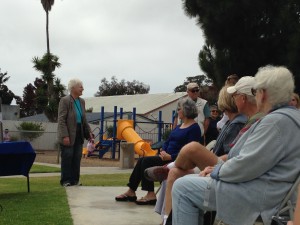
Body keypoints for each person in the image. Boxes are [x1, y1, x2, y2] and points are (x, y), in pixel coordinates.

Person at [171, 65, 300, 225]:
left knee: (183, 187)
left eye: (256, 92)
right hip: (274, 192)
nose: (255, 96)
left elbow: (246, 166)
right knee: (189, 182)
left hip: (260, 198)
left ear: (263, 93)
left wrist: (217, 171)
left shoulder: (275, 122)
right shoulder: (292, 117)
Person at [148, 77, 261, 225]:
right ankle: (166, 219)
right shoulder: (238, 123)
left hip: (229, 172)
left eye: (235, 96)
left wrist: (215, 169)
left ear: (243, 98)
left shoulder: (241, 124)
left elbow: (242, 159)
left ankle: (171, 165)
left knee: (192, 148)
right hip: (225, 167)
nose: (233, 99)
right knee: (175, 173)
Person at [115, 98, 201, 205]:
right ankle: (131, 191)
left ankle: (150, 194)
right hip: (165, 157)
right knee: (142, 160)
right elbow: (167, 141)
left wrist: (171, 157)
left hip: (178, 161)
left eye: (179, 109)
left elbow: (191, 151)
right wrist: (164, 151)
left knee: (146, 161)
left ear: (185, 110)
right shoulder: (179, 126)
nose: (177, 111)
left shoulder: (194, 129)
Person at [57, 78, 93, 187]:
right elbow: (61, 119)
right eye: (80, 86)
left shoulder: (81, 101)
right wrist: (65, 135)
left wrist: (89, 133)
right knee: (68, 156)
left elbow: (84, 120)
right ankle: (66, 181)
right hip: (68, 133)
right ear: (73, 88)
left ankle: (75, 180)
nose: (83, 88)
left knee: (77, 157)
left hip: (79, 132)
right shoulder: (65, 100)